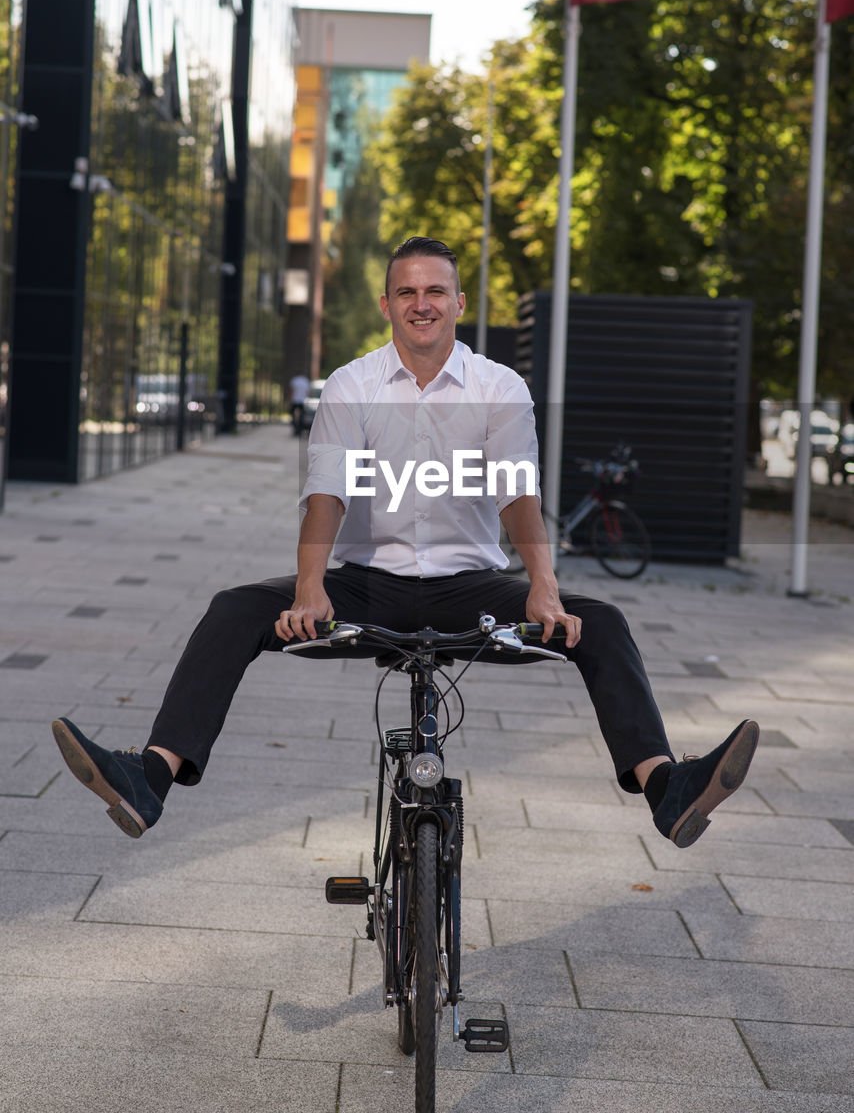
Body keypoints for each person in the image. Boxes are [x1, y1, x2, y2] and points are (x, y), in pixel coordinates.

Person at [52, 236, 758, 846]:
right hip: (368, 587)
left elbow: (519, 492)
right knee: (233, 608)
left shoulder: (499, 386)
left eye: (436, 291)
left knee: (601, 623)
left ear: (457, 301)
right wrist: (309, 587)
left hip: (471, 589)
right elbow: (326, 490)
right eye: (406, 291)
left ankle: (666, 788)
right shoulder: (350, 385)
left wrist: (542, 586)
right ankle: (148, 779)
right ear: (387, 305)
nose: (422, 303)